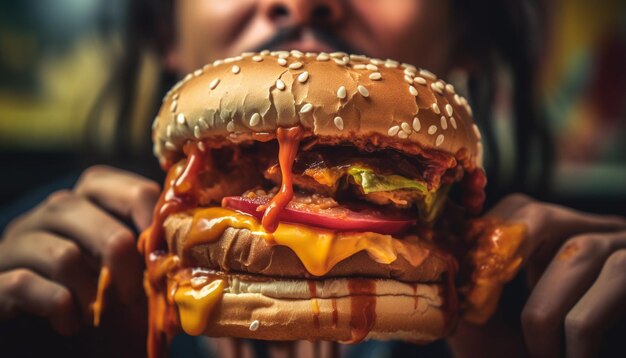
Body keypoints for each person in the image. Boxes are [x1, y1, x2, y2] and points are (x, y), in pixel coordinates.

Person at [1, 1, 625, 357]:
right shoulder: (41, 263)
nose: (302, 3)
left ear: (466, 29)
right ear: (168, 28)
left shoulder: (550, 289)